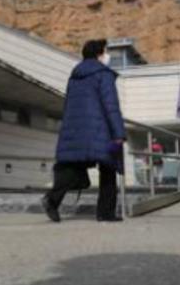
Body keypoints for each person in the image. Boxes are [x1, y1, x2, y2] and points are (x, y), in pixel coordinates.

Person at [42, 39, 126, 223]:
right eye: (106, 52)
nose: (107, 56)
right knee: (109, 168)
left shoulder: (75, 76)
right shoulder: (103, 74)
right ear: (99, 54)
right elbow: (110, 106)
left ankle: (52, 200)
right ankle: (105, 213)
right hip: (101, 130)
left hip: (78, 130)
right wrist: (119, 133)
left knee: (73, 166)